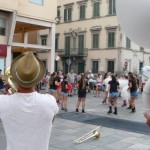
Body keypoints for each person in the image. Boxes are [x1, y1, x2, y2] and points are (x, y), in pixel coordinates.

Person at [0, 52, 59, 150]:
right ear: (38, 79)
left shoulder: (2, 101)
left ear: (15, 77)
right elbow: (50, 121)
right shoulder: (50, 101)